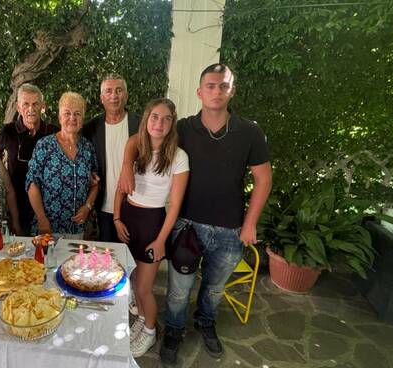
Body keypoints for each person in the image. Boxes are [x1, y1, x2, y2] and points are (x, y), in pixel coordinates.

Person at [118, 63, 272, 363]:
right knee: (178, 290)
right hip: (186, 226)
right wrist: (126, 164)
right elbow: (144, 136)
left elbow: (263, 179)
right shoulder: (184, 128)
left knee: (214, 288)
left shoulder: (250, 132)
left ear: (232, 91)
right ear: (199, 92)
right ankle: (174, 331)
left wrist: (250, 223)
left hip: (230, 229)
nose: (217, 91)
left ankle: (205, 322)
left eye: (223, 86)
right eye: (210, 86)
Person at [113, 98, 189, 357]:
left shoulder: (179, 157)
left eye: (166, 118)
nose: (160, 123)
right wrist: (117, 218)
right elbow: (120, 188)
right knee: (133, 281)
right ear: (146, 119)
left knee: (145, 288)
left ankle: (149, 331)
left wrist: (160, 240)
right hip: (129, 219)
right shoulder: (136, 147)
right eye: (155, 117)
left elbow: (175, 206)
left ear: (172, 124)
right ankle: (142, 320)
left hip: (153, 223)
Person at [26, 92, 99, 238]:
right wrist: (41, 219)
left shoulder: (87, 148)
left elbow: (96, 183)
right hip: (47, 227)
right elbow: (31, 184)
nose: (72, 118)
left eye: (77, 114)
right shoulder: (45, 145)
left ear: (82, 118)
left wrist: (87, 206)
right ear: (59, 117)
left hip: (77, 229)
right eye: (67, 113)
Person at [0, 83, 58, 235]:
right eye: (26, 104)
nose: (31, 109)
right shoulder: (7, 131)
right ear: (18, 107)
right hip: (16, 201)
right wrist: (3, 178)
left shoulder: (53, 132)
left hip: (46, 203)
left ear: (43, 106)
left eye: (35, 104)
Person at [82, 74, 140, 242]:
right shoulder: (91, 129)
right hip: (104, 208)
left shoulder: (140, 125)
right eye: (108, 91)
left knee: (133, 260)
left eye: (119, 90)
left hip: (135, 205)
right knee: (108, 260)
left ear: (126, 95)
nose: (114, 96)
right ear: (101, 98)